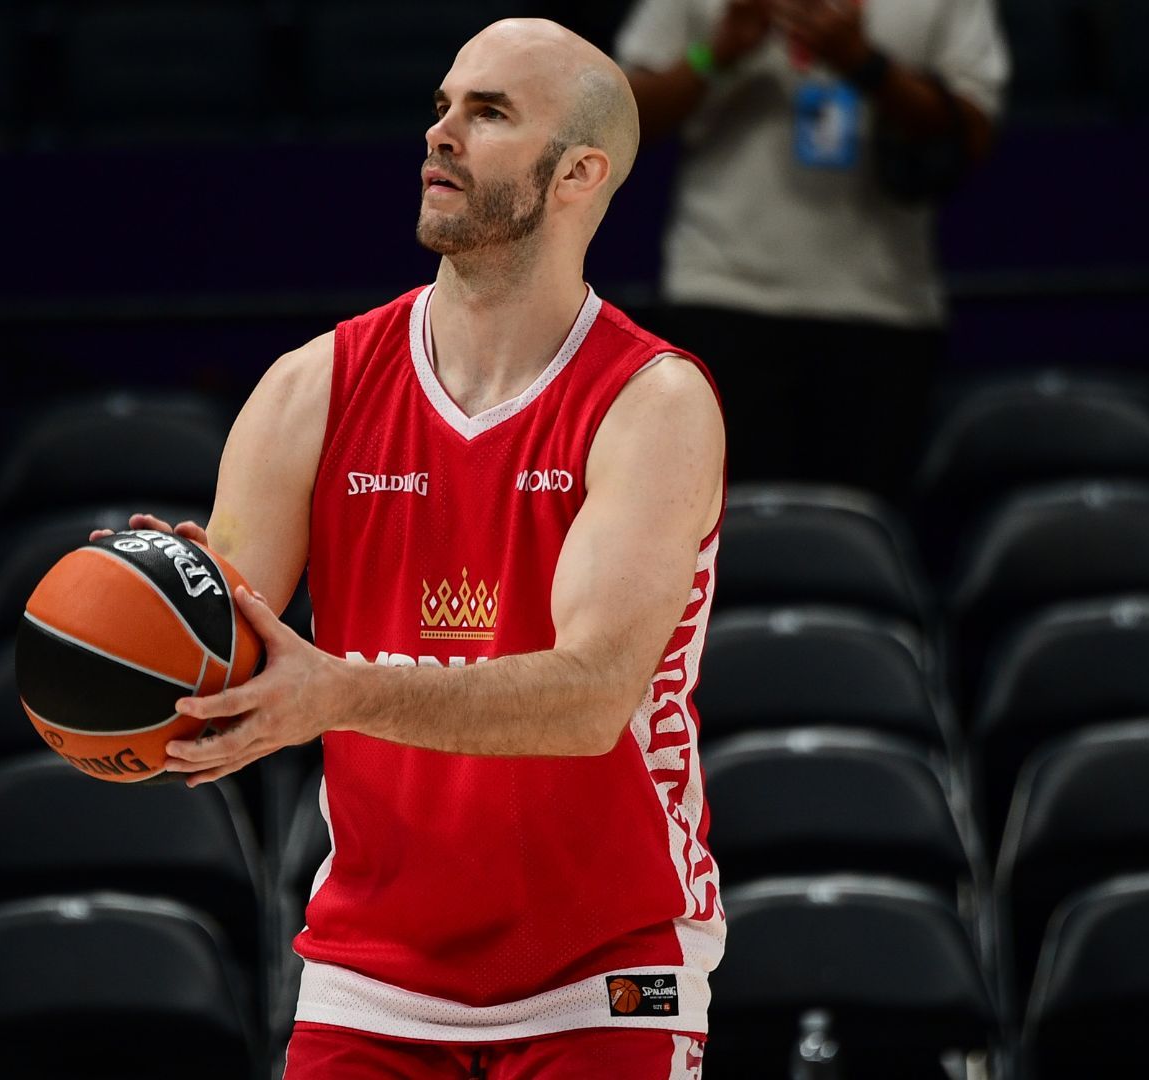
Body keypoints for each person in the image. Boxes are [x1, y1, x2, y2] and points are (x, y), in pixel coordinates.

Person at [93, 18, 725, 1078]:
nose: (441, 132)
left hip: (605, 968)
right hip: (373, 970)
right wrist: (158, 640)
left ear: (579, 173)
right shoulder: (309, 388)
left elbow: (589, 700)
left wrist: (339, 692)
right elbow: (233, 660)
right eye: (441, 106)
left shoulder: (652, 403)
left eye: (489, 113)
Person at [616, 0, 1009, 494]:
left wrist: (865, 65)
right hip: (722, 295)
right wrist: (715, 54)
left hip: (883, 307)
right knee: (724, 530)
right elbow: (619, 119)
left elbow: (974, 133)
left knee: (865, 529)